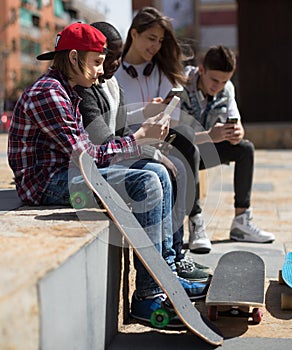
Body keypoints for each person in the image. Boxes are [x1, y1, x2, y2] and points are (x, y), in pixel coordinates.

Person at [7, 22, 206, 326]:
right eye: (97, 61)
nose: (102, 71)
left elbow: (88, 152)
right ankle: (148, 298)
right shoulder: (50, 94)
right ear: (74, 58)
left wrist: (143, 138)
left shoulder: (68, 89)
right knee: (147, 181)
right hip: (46, 185)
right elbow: (88, 156)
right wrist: (139, 138)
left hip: (71, 172)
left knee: (159, 173)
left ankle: (167, 277)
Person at [115, 7, 212, 277]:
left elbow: (176, 115)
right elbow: (114, 120)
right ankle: (175, 255)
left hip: (161, 137)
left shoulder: (161, 71)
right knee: (172, 171)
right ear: (133, 33)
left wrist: (167, 111)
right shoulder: (114, 75)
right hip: (130, 141)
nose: (156, 46)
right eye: (151, 38)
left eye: (160, 41)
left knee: (185, 145)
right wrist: (144, 112)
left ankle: (182, 244)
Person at [181, 45, 275, 248]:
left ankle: (241, 222)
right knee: (192, 150)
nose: (219, 86)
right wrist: (208, 136)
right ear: (201, 70)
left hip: (207, 147)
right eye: (215, 80)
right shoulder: (181, 84)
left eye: (224, 81)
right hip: (181, 153)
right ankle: (196, 223)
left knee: (245, 149)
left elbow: (236, 122)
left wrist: (237, 134)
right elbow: (172, 138)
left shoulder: (227, 88)